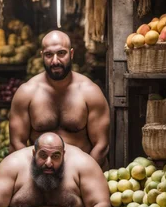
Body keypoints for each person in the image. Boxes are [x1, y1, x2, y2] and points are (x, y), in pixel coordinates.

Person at [9, 30, 110, 170]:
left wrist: (81, 176)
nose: (55, 61)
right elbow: (16, 144)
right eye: (49, 55)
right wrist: (36, 176)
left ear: (72, 54)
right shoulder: (27, 93)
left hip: (82, 172)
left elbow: (101, 146)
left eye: (61, 53)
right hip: (39, 174)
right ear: (41, 56)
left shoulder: (90, 92)